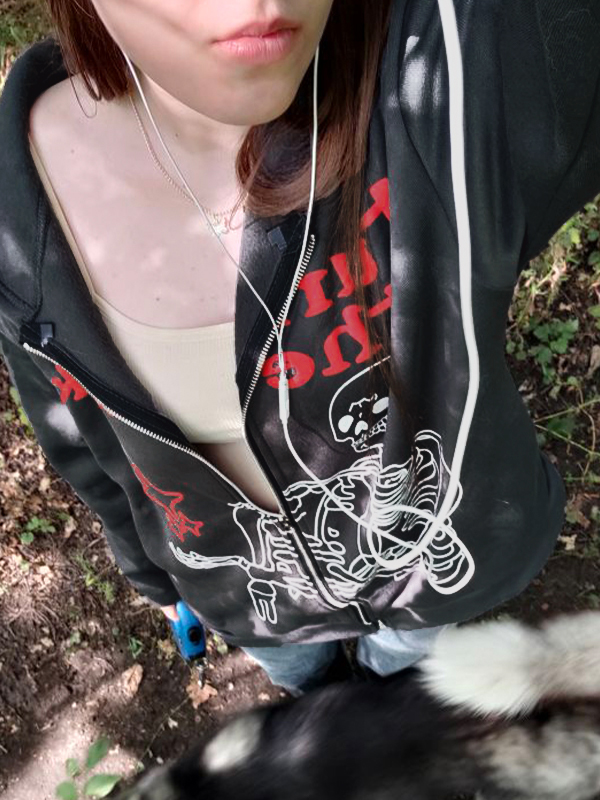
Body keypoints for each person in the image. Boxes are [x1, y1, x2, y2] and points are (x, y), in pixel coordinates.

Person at [0, 0, 598, 696]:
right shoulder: (18, 219)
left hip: (435, 579)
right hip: (252, 606)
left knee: (398, 672)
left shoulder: (448, 79)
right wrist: (151, 577)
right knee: (305, 689)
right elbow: (82, 443)